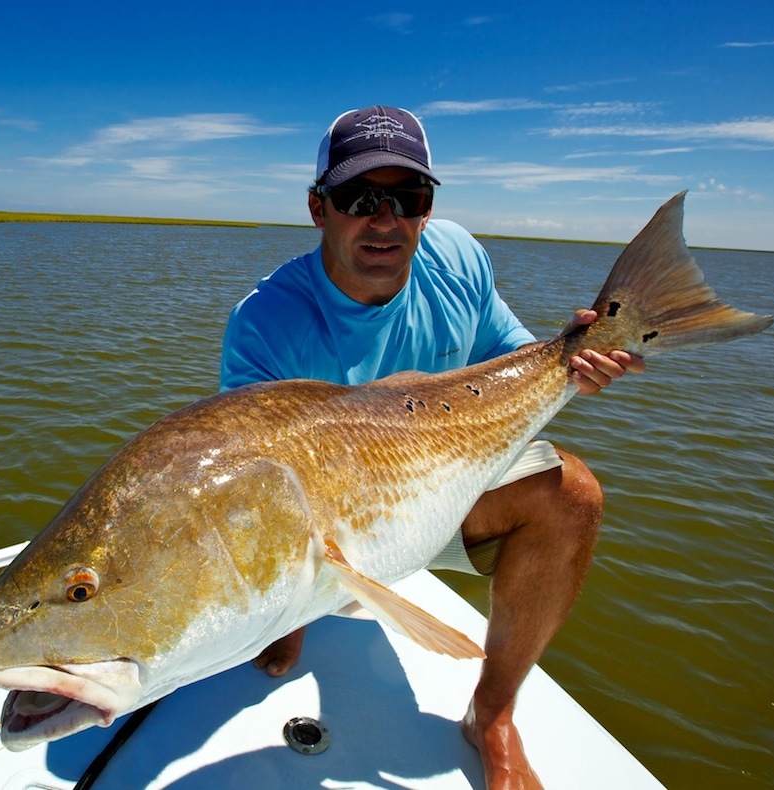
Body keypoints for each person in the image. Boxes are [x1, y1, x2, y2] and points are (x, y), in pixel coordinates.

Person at [219, 105, 644, 789]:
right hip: (328, 524)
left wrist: (575, 359)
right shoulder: (265, 324)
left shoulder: (456, 257)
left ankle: (493, 715)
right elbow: (255, 492)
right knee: (276, 551)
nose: (384, 220)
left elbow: (512, 358)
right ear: (316, 207)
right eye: (359, 197)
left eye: (408, 198)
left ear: (427, 209)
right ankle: (306, 605)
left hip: (443, 489)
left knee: (573, 494)